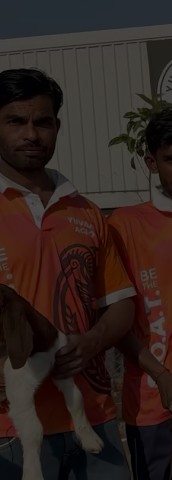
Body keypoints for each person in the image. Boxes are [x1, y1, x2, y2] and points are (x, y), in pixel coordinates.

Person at [0, 68, 135, 479]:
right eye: (15, 122)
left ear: (57, 127)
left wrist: (91, 341)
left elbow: (121, 304)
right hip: (9, 432)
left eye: (42, 122)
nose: (31, 134)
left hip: (93, 416)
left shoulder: (87, 212)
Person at [108, 107, 172, 479]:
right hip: (152, 397)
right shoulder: (124, 225)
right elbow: (114, 319)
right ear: (151, 161)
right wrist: (159, 372)